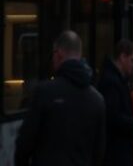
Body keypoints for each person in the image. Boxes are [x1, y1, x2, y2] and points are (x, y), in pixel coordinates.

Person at [15, 30, 106, 166]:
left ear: (58, 55)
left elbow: (24, 144)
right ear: (80, 55)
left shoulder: (44, 92)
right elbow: (99, 152)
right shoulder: (97, 100)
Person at [97, 39, 133, 166]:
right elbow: (112, 116)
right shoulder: (111, 82)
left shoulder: (116, 78)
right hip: (116, 154)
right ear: (122, 57)